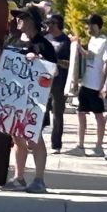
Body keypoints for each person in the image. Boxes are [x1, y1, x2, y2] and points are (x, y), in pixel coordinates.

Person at [0, 4, 57, 193]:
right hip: (15, 98)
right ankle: (19, 177)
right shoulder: (13, 41)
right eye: (17, 17)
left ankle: (39, 179)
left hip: (35, 101)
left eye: (22, 17)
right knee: (17, 138)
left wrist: (38, 60)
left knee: (34, 139)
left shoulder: (43, 44)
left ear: (32, 21)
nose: (18, 20)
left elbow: (53, 71)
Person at [68, 13, 107, 156]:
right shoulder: (92, 39)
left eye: (89, 24)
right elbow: (90, 56)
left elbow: (106, 64)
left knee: (99, 116)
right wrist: (78, 47)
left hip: (96, 85)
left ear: (96, 25)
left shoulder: (105, 42)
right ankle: (80, 146)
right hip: (86, 83)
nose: (87, 27)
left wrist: (104, 86)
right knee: (80, 113)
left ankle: (99, 147)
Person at [44, 13, 71, 153]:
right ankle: (35, 140)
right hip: (43, 80)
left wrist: (56, 60)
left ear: (56, 24)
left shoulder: (66, 41)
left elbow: (70, 64)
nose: (47, 25)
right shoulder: (44, 38)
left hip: (59, 82)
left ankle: (56, 145)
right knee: (40, 111)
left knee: (57, 114)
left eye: (50, 23)